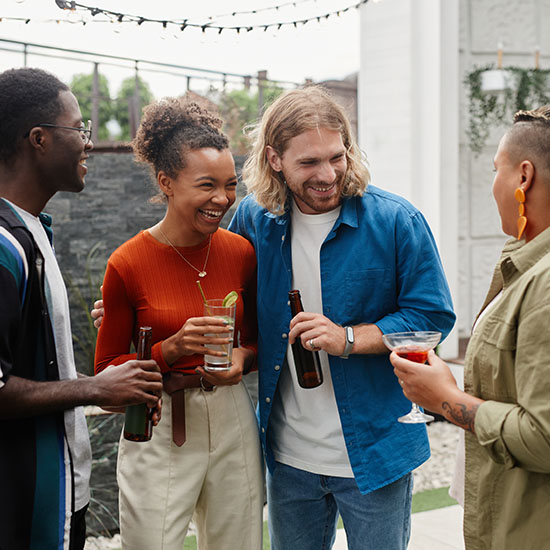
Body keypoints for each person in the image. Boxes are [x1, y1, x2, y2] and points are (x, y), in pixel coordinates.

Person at [227, 85, 456, 549]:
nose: (328, 174)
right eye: (309, 163)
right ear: (275, 159)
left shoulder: (396, 221)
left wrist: (348, 338)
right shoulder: (253, 220)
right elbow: (221, 293)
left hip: (375, 453)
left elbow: (432, 316)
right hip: (288, 459)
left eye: (337, 156)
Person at [0, 67, 163, 550]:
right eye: (79, 129)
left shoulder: (32, 232)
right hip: (19, 507)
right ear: (39, 140)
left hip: (61, 493)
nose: (88, 143)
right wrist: (93, 387)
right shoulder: (4, 247)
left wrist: (107, 388)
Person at [93, 98, 263, 550]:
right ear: (166, 183)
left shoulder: (241, 253)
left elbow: (261, 340)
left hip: (232, 418)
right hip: (159, 421)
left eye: (229, 185)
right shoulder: (127, 263)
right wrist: (172, 349)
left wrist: (243, 359)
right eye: (206, 185)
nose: (222, 199)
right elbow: (106, 375)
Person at [390, 106, 550, 550]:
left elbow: (544, 436)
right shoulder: (523, 261)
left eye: (494, 170)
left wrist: (445, 400)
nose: (490, 186)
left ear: (523, 177)